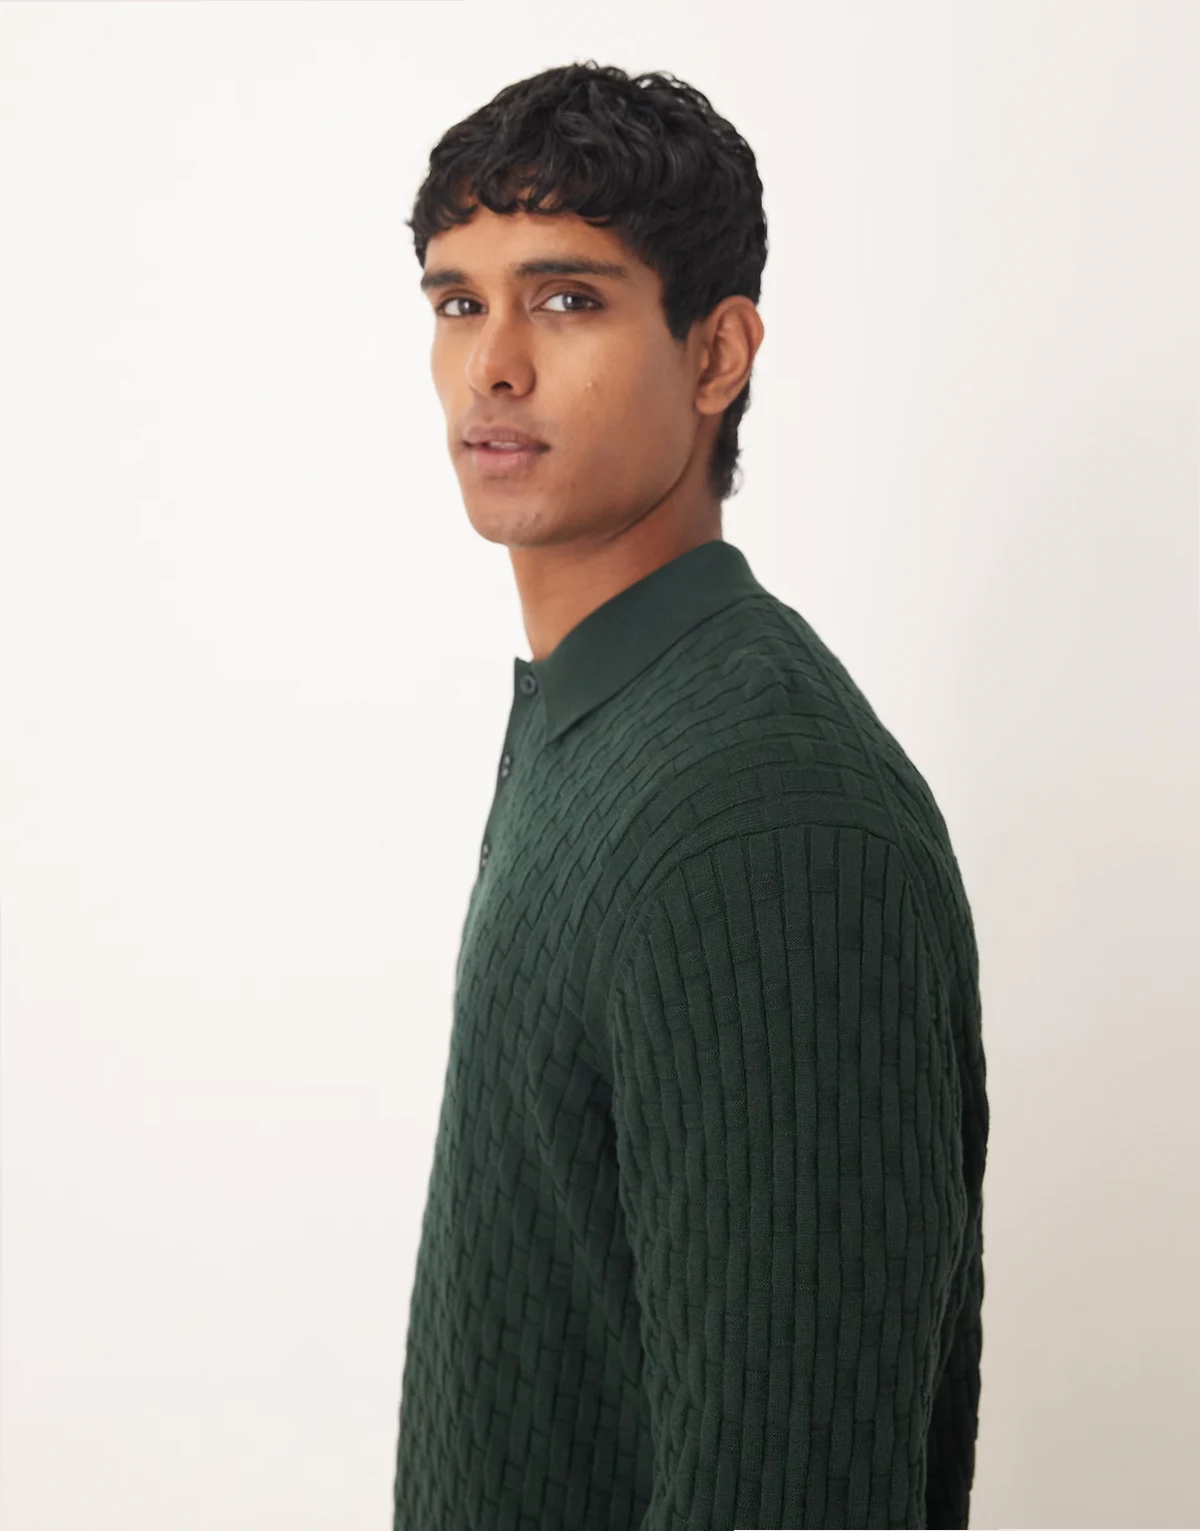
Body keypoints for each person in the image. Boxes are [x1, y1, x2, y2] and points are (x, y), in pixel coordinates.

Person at [391, 60, 988, 1531]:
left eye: (567, 298)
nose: (493, 367)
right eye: (459, 301)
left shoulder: (770, 820)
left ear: (716, 354)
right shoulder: (604, 716)